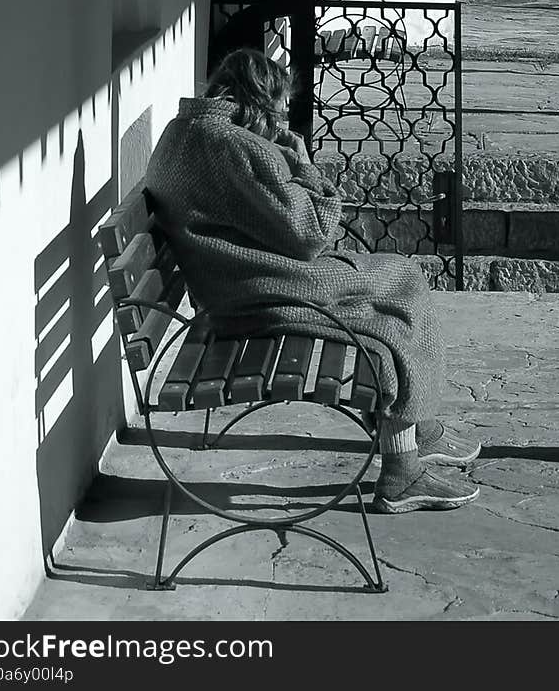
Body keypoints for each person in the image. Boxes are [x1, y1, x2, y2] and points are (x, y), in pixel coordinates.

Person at [145, 46, 480, 513]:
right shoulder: (232, 145)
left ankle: (412, 428)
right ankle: (403, 468)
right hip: (258, 293)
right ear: (258, 101)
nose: (284, 118)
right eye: (280, 107)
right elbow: (311, 236)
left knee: (388, 292)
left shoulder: (183, 130)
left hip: (236, 282)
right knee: (399, 291)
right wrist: (303, 164)